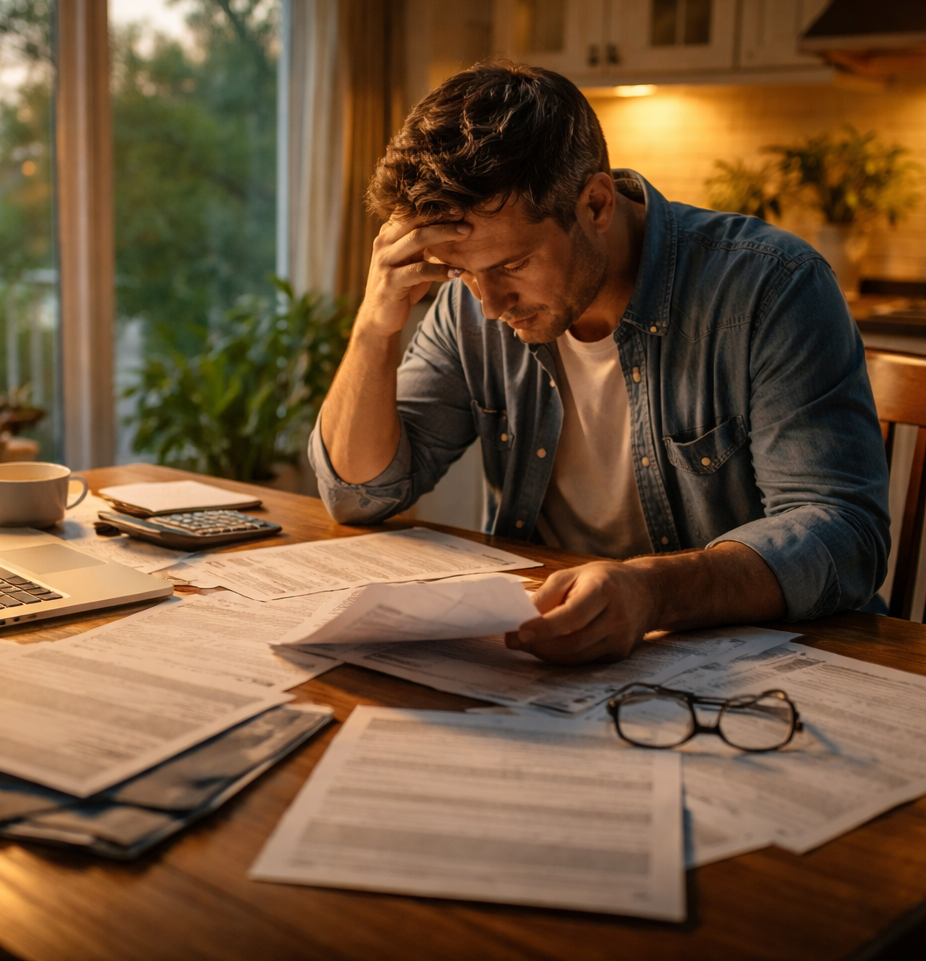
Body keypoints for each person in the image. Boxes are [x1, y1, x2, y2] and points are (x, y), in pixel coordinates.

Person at [310, 62, 890, 665]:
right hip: (559, 661)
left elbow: (843, 533)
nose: (487, 304)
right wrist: (375, 326)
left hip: (762, 668)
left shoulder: (772, 288)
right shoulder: (470, 300)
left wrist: (652, 593)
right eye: (461, 271)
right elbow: (359, 495)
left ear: (594, 203)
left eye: (510, 266)